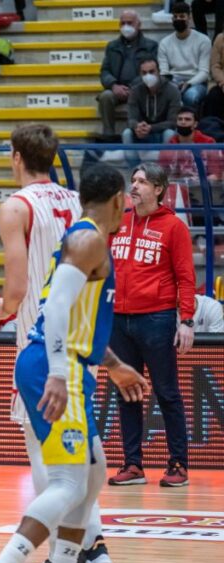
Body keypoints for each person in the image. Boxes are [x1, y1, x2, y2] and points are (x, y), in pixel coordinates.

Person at [0, 164, 149, 563]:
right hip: (53, 363)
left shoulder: (88, 239)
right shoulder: (89, 239)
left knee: (93, 476)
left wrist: (114, 364)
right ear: (116, 200)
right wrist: (57, 373)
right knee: (70, 483)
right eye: (125, 198)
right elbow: (52, 309)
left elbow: (76, 320)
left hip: (65, 360)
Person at [0, 124, 116, 563]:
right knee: (79, 455)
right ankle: (93, 545)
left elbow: (18, 287)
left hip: (41, 338)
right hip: (81, 338)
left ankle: (56, 556)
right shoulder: (72, 201)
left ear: (17, 157)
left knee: (51, 457)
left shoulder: (15, 206)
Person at [108, 163, 196, 488]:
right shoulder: (118, 221)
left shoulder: (174, 226)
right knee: (126, 391)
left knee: (167, 393)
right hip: (119, 319)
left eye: (142, 181)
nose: (134, 186)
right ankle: (133, 464)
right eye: (133, 180)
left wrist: (185, 319)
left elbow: (186, 278)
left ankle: (178, 464)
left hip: (157, 319)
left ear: (158, 189)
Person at [98, 11, 159, 139]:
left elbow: (153, 71)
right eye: (123, 23)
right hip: (117, 89)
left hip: (141, 88)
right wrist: (114, 85)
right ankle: (108, 136)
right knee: (105, 96)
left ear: (139, 24)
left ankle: (137, 134)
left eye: (130, 23)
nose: (126, 26)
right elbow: (105, 71)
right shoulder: (112, 46)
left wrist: (133, 87)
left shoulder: (151, 46)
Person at [123, 59, 181, 164]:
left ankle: (165, 169)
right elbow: (131, 118)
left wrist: (151, 128)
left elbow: (173, 121)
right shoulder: (135, 91)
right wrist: (137, 126)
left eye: (151, 71)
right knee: (127, 133)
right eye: (144, 73)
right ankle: (134, 170)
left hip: (161, 133)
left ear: (159, 71)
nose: (148, 76)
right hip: (141, 134)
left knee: (170, 133)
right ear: (140, 74)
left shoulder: (172, 91)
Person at [157, 1, 212, 108]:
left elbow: (204, 72)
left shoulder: (203, 40)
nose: (178, 19)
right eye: (175, 16)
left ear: (189, 17)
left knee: (190, 96)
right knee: (164, 95)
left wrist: (188, 83)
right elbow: (164, 72)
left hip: (197, 82)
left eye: (182, 16)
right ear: (172, 19)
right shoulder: (164, 42)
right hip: (173, 82)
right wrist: (173, 86)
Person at [158, 106, 224, 181]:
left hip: (203, 188)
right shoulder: (169, 146)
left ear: (195, 124)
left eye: (187, 119)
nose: (183, 122)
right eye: (180, 119)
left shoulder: (208, 143)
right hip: (178, 188)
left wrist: (196, 182)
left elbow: (216, 175)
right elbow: (161, 175)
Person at [200, 31, 224, 124]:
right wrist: (223, 83)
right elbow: (215, 65)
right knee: (214, 96)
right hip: (221, 82)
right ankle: (214, 130)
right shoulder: (220, 38)